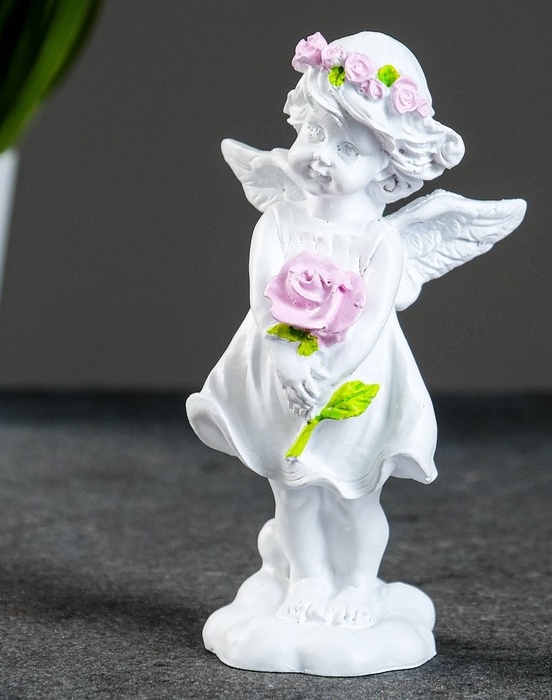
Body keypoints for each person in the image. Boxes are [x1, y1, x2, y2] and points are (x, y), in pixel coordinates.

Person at [187, 31, 523, 630]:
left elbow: (369, 322)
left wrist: (325, 375)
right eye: (315, 134)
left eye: (349, 149)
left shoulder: (381, 238)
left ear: (387, 171)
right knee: (292, 486)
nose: (322, 157)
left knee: (353, 493)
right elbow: (263, 301)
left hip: (353, 380)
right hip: (282, 375)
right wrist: (289, 364)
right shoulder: (277, 220)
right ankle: (307, 578)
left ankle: (359, 584)